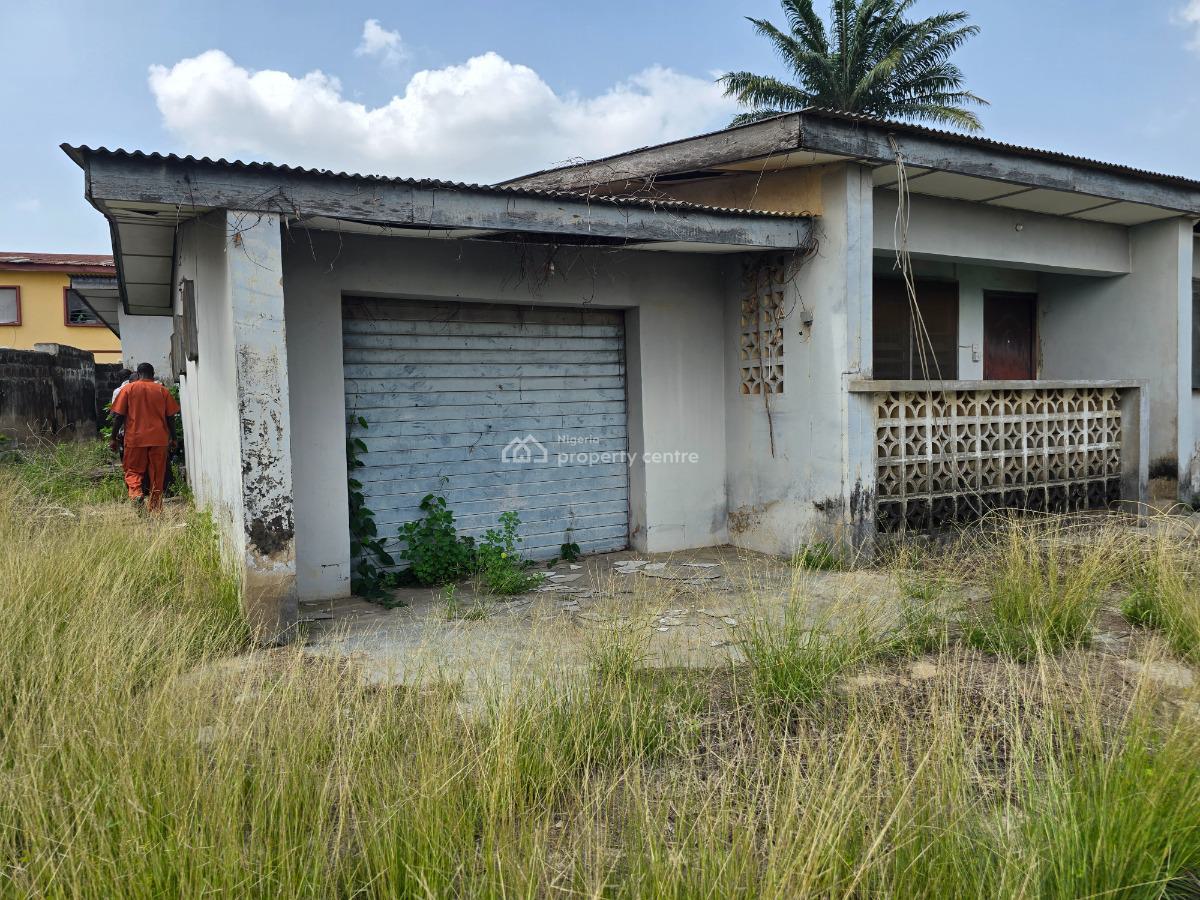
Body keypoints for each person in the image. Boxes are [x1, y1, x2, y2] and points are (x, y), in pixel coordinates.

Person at [109, 362, 180, 512]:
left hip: (135, 439)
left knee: (133, 470)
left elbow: (119, 416)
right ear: (153, 374)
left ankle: (136, 494)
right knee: (157, 475)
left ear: (138, 373)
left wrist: (113, 437)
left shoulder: (128, 389)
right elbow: (171, 417)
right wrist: (174, 438)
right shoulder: (162, 390)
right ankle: (155, 509)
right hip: (159, 439)